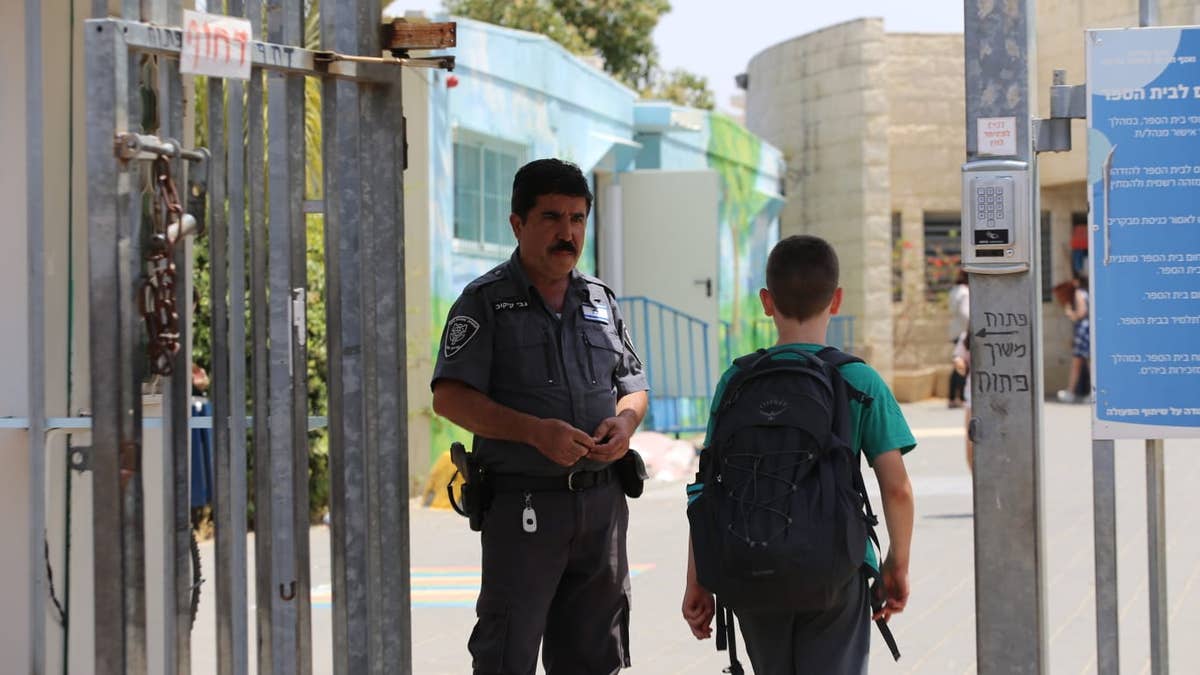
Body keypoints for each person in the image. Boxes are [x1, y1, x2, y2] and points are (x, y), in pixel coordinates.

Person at [431, 158, 649, 675]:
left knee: (595, 660)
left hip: (601, 509)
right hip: (523, 511)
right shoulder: (484, 302)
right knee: (506, 656)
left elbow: (633, 387)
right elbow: (450, 397)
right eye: (551, 218)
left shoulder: (600, 300)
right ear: (517, 224)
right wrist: (534, 432)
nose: (567, 233)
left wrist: (625, 424)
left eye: (577, 219)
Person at [681, 235, 916, 674]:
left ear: (767, 302)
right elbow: (897, 488)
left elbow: (706, 488)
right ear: (837, 299)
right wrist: (895, 563)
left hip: (749, 566)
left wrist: (698, 579)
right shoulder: (858, 381)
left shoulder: (736, 381)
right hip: (836, 571)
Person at [1056, 271, 1090, 403]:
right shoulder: (1087, 292)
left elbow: (1081, 312)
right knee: (1088, 362)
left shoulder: (1078, 293)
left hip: (1082, 329)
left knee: (1077, 362)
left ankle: (1070, 392)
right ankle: (1091, 393)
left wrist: (1070, 313)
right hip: (1088, 329)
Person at [947, 268, 970, 408]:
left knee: (957, 363)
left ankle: (952, 397)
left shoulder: (955, 290)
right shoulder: (965, 292)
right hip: (964, 332)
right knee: (963, 365)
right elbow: (965, 312)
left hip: (955, 330)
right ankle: (960, 397)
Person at [952, 331, 973, 472]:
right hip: (974, 397)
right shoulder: (968, 335)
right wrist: (959, 363)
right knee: (971, 445)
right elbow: (959, 357)